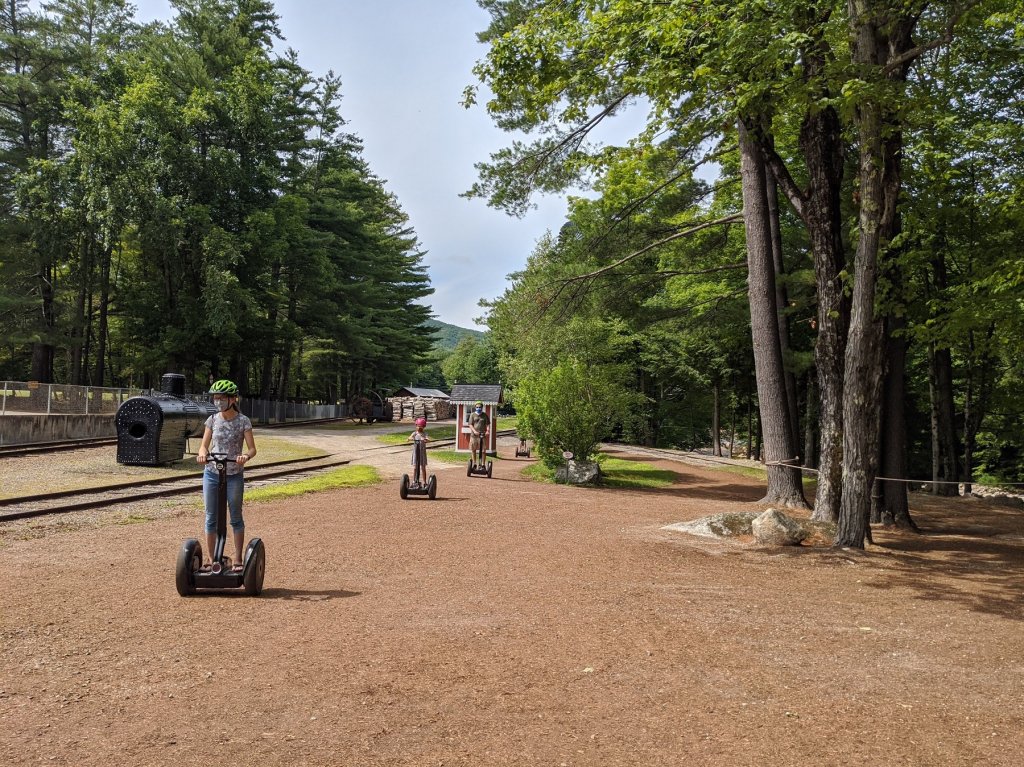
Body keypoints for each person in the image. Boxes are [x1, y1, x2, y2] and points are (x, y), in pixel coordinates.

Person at [196, 379, 256, 572]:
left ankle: (238, 559)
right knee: (211, 517)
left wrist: (244, 456)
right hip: (212, 472)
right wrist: (203, 453)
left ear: (232, 399)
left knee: (235, 516)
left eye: (221, 398)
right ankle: (212, 559)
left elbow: (252, 449)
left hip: (234, 474)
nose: (218, 401)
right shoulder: (212, 420)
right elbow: (204, 445)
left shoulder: (243, 421)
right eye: (215, 398)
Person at [407, 417, 431, 485]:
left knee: (423, 467)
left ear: (424, 427)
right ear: (416, 426)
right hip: (416, 452)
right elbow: (410, 437)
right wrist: (410, 439)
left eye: (421, 427)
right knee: (415, 467)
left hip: (422, 453)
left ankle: (425, 482)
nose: (419, 428)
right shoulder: (414, 433)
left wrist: (425, 439)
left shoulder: (425, 434)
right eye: (418, 426)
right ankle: (414, 481)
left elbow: (428, 439)